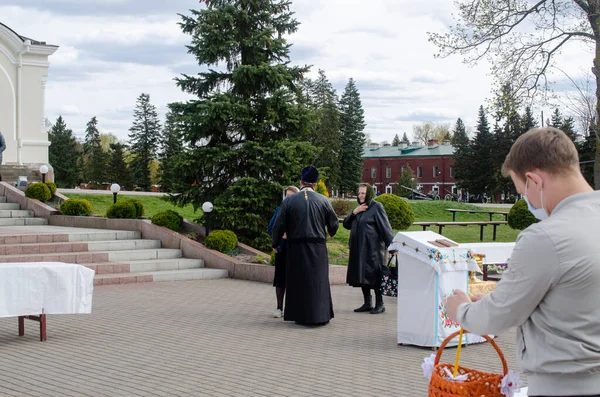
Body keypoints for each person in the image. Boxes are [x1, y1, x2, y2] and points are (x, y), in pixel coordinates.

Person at [446, 127, 600, 397]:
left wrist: (460, 311)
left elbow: (499, 316)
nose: (526, 201)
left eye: (521, 192)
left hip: (567, 386)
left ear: (534, 180)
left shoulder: (547, 237)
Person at [271, 166, 339, 326]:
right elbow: (334, 223)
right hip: (318, 247)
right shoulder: (323, 200)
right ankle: (320, 315)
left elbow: (278, 225)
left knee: (298, 281)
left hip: (296, 247)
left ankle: (300, 315)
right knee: (318, 281)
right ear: (315, 184)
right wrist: (331, 232)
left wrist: (275, 242)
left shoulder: (289, 201)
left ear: (301, 182)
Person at [343, 183, 394, 314]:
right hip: (359, 248)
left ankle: (380, 303)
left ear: (369, 193)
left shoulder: (377, 207)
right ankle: (367, 303)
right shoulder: (359, 208)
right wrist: (354, 212)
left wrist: (394, 247)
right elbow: (346, 224)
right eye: (359, 193)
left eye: (363, 193)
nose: (360, 195)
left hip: (374, 250)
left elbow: (385, 228)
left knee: (375, 276)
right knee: (362, 275)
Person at [267, 185, 299, 318]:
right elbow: (271, 228)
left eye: (291, 196)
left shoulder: (300, 210)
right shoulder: (279, 210)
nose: (288, 198)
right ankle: (279, 307)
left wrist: (290, 234)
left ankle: (294, 308)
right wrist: (280, 236)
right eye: (287, 196)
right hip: (282, 249)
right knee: (280, 280)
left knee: (295, 280)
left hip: (296, 250)